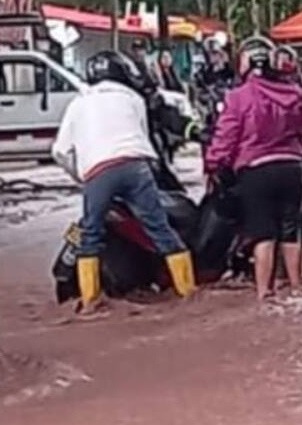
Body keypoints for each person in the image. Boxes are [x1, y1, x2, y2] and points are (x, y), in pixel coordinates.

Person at [52, 50, 197, 313]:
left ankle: (90, 302)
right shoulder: (133, 98)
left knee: (90, 237)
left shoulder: (78, 104)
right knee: (161, 230)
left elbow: (61, 152)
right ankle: (188, 292)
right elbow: (142, 135)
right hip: (137, 168)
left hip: (98, 174)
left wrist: (82, 175)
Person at [205, 47, 302, 302]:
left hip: (256, 171)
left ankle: (264, 293)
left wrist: (214, 164)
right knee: (291, 231)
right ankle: (297, 287)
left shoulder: (238, 97)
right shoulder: (294, 93)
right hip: (294, 169)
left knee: (262, 233)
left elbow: (226, 137)